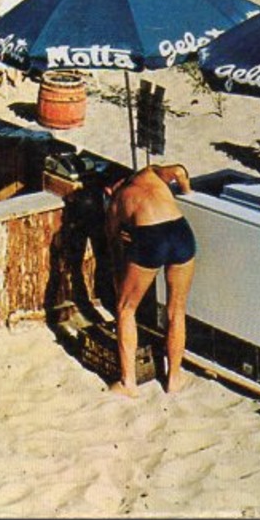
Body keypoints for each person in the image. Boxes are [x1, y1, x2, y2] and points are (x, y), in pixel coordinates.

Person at [106, 163, 196, 397]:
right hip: (180, 232)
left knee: (126, 309)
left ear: (109, 189)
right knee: (176, 310)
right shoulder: (150, 172)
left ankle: (128, 384)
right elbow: (178, 170)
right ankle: (174, 378)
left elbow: (113, 243)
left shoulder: (116, 202)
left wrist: (120, 280)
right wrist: (187, 192)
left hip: (151, 237)